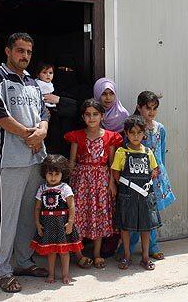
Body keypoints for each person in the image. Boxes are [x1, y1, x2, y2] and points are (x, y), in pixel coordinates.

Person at [0, 32, 49, 293]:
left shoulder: (32, 81)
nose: (25, 56)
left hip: (34, 159)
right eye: (20, 50)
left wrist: (41, 130)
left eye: (29, 52)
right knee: (5, 216)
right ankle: (3, 270)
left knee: (26, 217)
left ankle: (22, 262)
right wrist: (29, 135)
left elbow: (43, 111)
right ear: (8, 51)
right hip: (6, 160)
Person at [64, 99, 122, 269]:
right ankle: (79, 254)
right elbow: (72, 162)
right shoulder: (77, 136)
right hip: (81, 182)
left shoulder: (111, 137)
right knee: (79, 216)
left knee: (99, 216)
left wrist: (112, 184)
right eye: (88, 114)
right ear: (83, 117)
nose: (91, 118)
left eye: (95, 114)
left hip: (102, 182)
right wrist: (67, 187)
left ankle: (96, 254)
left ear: (102, 116)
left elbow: (111, 164)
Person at [119, 91, 176, 260]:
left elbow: (161, 152)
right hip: (137, 178)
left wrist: (161, 172)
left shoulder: (160, 128)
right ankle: (126, 249)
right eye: (147, 108)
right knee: (134, 212)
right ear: (139, 107)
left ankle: (152, 247)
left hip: (156, 176)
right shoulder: (134, 128)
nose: (151, 112)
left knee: (151, 213)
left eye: (154, 109)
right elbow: (126, 151)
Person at [112, 115, 161, 271]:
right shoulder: (121, 151)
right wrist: (123, 187)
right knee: (125, 227)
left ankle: (145, 257)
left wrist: (154, 172)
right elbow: (115, 171)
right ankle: (127, 255)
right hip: (127, 196)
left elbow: (155, 168)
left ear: (143, 134)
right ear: (126, 133)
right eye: (132, 132)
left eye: (139, 133)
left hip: (145, 197)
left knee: (146, 227)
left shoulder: (148, 152)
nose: (135, 136)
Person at [30, 154, 83, 284]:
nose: (53, 177)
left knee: (64, 252)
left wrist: (70, 223)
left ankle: (65, 275)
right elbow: (37, 208)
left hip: (62, 224)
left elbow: (71, 206)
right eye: (50, 174)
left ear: (62, 174)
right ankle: (51, 275)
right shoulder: (42, 189)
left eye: (56, 174)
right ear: (45, 174)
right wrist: (37, 223)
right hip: (47, 225)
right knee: (51, 251)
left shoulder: (65, 188)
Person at [93, 77, 129, 257]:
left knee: (116, 206)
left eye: (111, 94)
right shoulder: (93, 116)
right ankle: (95, 245)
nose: (107, 98)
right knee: (100, 207)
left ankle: (113, 246)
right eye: (103, 94)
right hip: (98, 172)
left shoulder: (123, 116)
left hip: (118, 168)